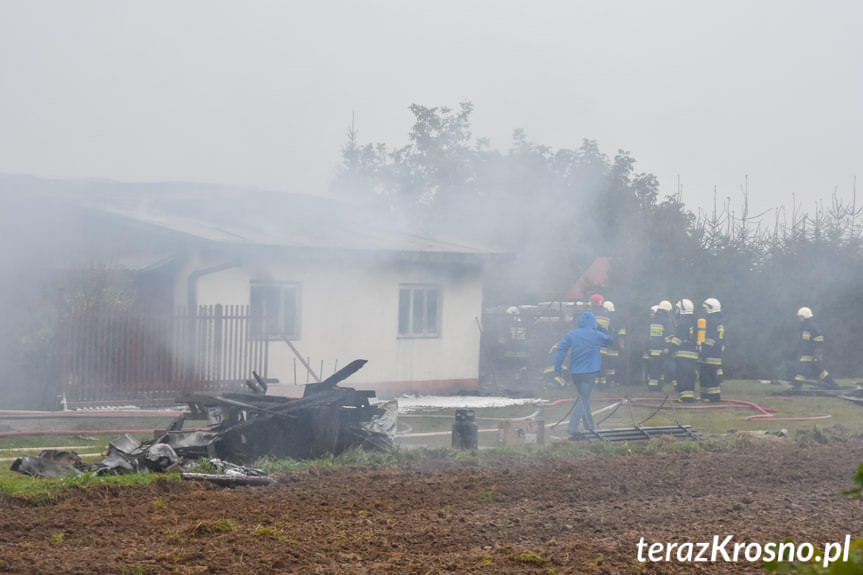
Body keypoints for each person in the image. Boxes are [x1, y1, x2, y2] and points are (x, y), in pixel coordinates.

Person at [554, 311, 614, 437]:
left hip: (575, 372)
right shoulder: (596, 334)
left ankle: (589, 425)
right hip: (590, 372)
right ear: (593, 322)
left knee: (583, 398)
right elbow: (609, 341)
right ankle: (573, 426)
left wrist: (558, 368)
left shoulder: (572, 335)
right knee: (584, 399)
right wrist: (601, 327)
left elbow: (560, 350)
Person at [794, 306, 838, 388]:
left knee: (802, 370)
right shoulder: (804, 326)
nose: (799, 318)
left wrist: (817, 354)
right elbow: (804, 342)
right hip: (806, 354)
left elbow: (819, 340)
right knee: (818, 371)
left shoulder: (812, 326)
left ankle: (797, 386)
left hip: (811, 354)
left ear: (804, 316)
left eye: (800, 316)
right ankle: (833, 385)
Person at [669, 299, 699, 402]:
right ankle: (689, 395)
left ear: (683, 309)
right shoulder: (695, 321)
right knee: (690, 375)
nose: (677, 311)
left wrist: (669, 349)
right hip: (693, 353)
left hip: (683, 354)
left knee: (683, 375)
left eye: (678, 309)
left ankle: (686, 398)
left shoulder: (682, 322)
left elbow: (678, 340)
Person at [699, 298, 725, 402]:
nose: (704, 311)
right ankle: (708, 396)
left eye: (705, 309)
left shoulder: (711, 322)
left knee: (709, 376)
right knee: (710, 375)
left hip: (710, 353)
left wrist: (703, 350)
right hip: (716, 353)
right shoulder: (719, 321)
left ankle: (712, 397)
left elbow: (710, 339)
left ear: (711, 308)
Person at [646, 300, 674, 390]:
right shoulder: (666, 321)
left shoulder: (651, 320)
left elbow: (648, 335)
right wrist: (667, 347)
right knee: (661, 368)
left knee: (653, 368)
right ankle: (659, 385)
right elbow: (669, 336)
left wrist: (647, 347)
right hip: (662, 349)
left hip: (652, 348)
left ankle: (652, 386)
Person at [602, 300, 626, 385]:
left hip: (611, 345)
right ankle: (610, 381)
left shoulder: (610, 319)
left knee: (609, 364)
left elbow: (621, 332)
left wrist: (621, 343)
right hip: (613, 345)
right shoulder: (615, 318)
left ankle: (610, 381)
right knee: (610, 364)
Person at [589, 294, 611, 385]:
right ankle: (603, 382)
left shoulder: (590, 314)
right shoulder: (607, 314)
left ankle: (595, 382)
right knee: (603, 362)